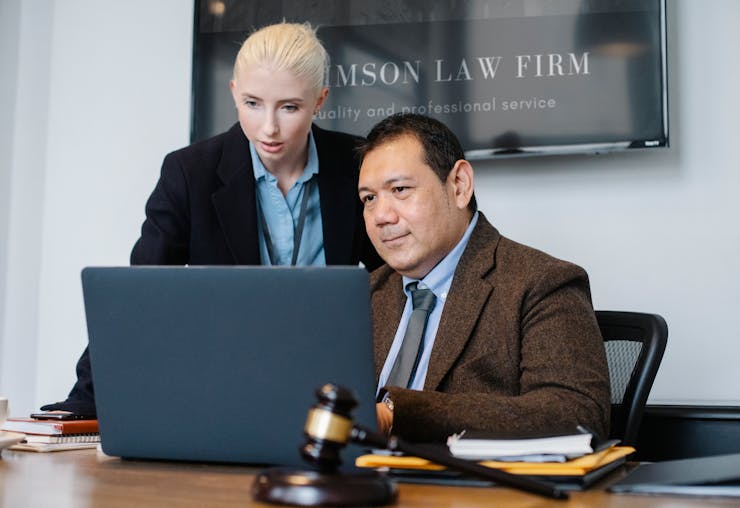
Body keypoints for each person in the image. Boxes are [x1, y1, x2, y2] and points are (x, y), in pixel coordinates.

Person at [42, 22, 381, 416]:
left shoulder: (358, 165)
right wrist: (82, 404)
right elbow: (140, 295)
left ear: (319, 100)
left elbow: (396, 281)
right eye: (252, 103)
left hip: (332, 384)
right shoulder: (190, 173)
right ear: (234, 92)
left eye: (289, 107)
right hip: (229, 382)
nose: (268, 127)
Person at [357, 113, 610, 443]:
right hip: (355, 483)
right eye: (369, 198)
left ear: (459, 185)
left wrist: (396, 415)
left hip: (470, 491)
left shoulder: (542, 283)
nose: (381, 217)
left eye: (401, 189)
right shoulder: (363, 293)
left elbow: (576, 414)